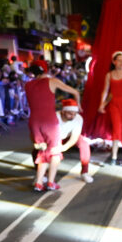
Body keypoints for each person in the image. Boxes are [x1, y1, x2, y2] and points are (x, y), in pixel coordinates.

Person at [26, 59, 81, 192]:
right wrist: (78, 105)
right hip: (49, 121)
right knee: (55, 151)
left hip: (34, 122)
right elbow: (75, 92)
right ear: (46, 69)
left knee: (42, 151)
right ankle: (50, 182)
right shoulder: (52, 81)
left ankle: (39, 183)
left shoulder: (27, 85)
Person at [57, 98, 93, 183]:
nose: (72, 116)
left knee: (84, 144)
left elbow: (75, 136)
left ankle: (85, 172)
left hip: (70, 136)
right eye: (70, 114)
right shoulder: (55, 117)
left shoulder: (78, 118)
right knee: (45, 151)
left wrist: (65, 147)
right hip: (55, 136)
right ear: (63, 111)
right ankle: (43, 174)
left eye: (74, 114)